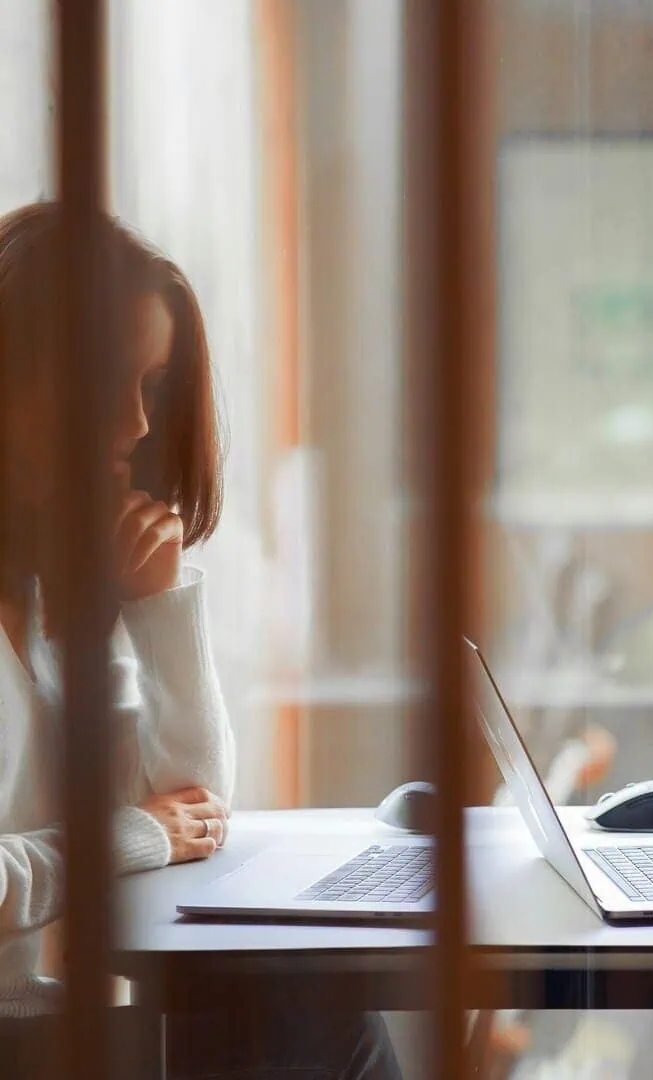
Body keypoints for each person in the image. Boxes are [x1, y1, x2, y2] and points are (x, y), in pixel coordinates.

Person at [0, 202, 400, 1079]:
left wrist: (158, 607)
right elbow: (152, 829)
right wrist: (130, 837)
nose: (140, 425)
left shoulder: (42, 599)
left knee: (316, 1001)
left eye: (152, 385)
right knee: (318, 1021)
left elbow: (195, 807)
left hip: (39, 1026)